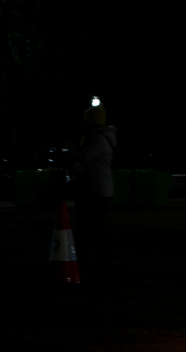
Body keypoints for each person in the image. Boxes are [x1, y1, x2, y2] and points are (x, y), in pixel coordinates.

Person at [67, 103, 117, 267]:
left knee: (88, 226)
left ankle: (92, 258)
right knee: (94, 226)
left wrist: (71, 146)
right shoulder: (101, 138)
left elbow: (83, 158)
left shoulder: (98, 139)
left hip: (95, 190)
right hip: (97, 189)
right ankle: (97, 258)